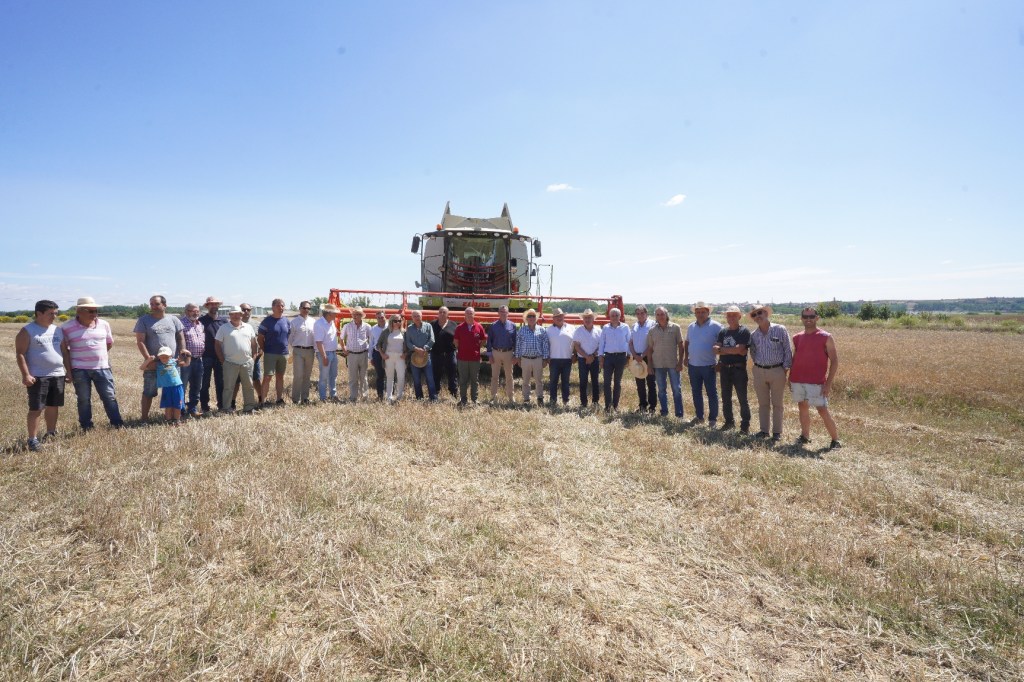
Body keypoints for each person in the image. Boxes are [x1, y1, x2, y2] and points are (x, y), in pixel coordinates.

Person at [61, 297, 125, 431]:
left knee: (109, 396)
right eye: (90, 311)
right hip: (79, 369)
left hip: (103, 367)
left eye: (95, 311)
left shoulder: (104, 324)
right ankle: (86, 426)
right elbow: (64, 351)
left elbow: (109, 343)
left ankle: (117, 423)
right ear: (79, 311)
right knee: (83, 399)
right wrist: (68, 371)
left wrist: (98, 356)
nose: (94, 314)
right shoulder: (66, 328)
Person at [16, 300, 65, 452]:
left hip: (58, 374)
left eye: (56, 313)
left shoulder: (57, 330)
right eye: (51, 314)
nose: (54, 317)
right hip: (38, 376)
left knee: (53, 406)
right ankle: (33, 439)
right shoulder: (27, 331)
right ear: (39, 313)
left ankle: (50, 433)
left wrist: (68, 371)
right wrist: (26, 375)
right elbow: (20, 354)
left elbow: (65, 352)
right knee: (36, 408)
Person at [790, 307, 841, 449]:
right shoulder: (797, 337)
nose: (808, 319)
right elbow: (795, 358)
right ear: (801, 318)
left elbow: (835, 361)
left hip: (817, 382)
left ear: (817, 318)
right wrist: (790, 378)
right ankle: (805, 436)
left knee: (822, 410)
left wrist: (828, 384)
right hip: (798, 379)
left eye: (811, 316)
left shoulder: (826, 337)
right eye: (805, 317)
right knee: (802, 407)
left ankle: (835, 440)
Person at [134, 295, 185, 421]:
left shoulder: (174, 320)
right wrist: (148, 360)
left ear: (164, 305)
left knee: (173, 390)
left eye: (156, 304)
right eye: (151, 304)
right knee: (149, 392)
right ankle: (144, 419)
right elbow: (140, 341)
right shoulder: (143, 320)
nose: (153, 307)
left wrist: (182, 353)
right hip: (154, 364)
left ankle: (173, 418)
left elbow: (181, 338)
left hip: (171, 364)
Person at [748, 304, 792, 441]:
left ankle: (777, 432)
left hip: (777, 370)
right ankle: (764, 431)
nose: (757, 316)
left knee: (777, 404)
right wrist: (758, 367)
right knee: (763, 404)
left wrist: (784, 369)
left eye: (759, 312)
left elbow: (787, 350)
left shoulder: (780, 329)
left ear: (766, 313)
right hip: (759, 371)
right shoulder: (753, 335)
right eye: (754, 315)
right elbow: (753, 353)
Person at [713, 305, 751, 433]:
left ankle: (745, 425)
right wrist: (733, 350)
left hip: (738, 370)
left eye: (734, 315)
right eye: (729, 315)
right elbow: (715, 349)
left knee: (742, 398)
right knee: (726, 397)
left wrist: (722, 350)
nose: (731, 317)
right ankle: (729, 422)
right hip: (724, 369)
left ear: (739, 316)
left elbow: (740, 350)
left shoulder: (744, 331)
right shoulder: (723, 332)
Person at [684, 302, 723, 426]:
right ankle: (699, 417)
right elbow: (687, 342)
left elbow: (723, 344)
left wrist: (720, 362)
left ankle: (712, 420)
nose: (700, 314)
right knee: (696, 392)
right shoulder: (691, 327)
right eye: (698, 312)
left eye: (703, 312)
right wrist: (686, 358)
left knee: (711, 393)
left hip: (709, 365)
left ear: (708, 312)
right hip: (693, 365)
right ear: (695, 313)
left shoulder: (717, 326)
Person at [216, 305, 259, 413]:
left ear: (241, 315)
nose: (236, 316)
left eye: (238, 314)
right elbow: (217, 344)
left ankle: (249, 408)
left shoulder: (248, 327)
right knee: (228, 387)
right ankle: (226, 408)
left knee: (248, 386)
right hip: (229, 363)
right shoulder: (224, 328)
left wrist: (253, 358)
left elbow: (254, 343)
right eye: (233, 314)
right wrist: (223, 361)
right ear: (229, 315)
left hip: (247, 362)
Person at [645, 306, 685, 418]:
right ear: (655, 317)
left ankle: (679, 414)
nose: (660, 316)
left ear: (666, 315)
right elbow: (650, 348)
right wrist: (649, 364)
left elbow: (681, 346)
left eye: (662, 314)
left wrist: (680, 362)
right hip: (658, 364)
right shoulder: (652, 331)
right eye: (657, 315)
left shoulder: (676, 328)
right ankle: (664, 412)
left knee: (676, 389)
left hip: (673, 364)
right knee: (661, 390)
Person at [257, 298, 290, 406]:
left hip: (283, 354)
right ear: (273, 307)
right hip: (270, 353)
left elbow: (287, 335)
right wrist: (265, 349)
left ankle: (279, 399)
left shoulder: (286, 321)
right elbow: (260, 338)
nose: (281, 308)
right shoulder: (267, 321)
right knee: (267, 377)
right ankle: (263, 401)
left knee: (280, 376)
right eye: (278, 306)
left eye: (282, 306)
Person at [514, 309, 549, 405]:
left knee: (539, 380)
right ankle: (526, 399)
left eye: (533, 316)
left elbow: (545, 345)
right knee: (525, 380)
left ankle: (540, 398)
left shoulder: (541, 330)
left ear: (536, 318)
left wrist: (545, 359)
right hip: (525, 359)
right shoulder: (522, 330)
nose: (531, 318)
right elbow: (518, 344)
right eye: (529, 316)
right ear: (526, 318)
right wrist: (517, 357)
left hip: (538, 358)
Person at [198, 296, 226, 415]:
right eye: (211, 304)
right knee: (204, 383)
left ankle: (221, 405)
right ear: (207, 306)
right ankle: (205, 407)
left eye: (216, 304)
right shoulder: (201, 321)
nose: (214, 306)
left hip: (220, 356)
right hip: (206, 356)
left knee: (221, 382)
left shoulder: (224, 321)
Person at [453, 307, 487, 405]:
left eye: (471, 313)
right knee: (463, 380)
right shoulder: (459, 327)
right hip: (462, 358)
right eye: (467, 313)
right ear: (464, 315)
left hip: (474, 358)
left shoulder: (479, 327)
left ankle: (474, 399)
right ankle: (463, 400)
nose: (469, 315)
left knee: (474, 380)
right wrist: (464, 348)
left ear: (474, 314)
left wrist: (476, 347)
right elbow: (456, 342)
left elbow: (484, 340)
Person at [340, 306, 373, 401]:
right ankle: (353, 396)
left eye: (357, 314)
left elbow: (371, 340)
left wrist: (370, 353)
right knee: (353, 377)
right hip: (351, 355)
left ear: (361, 316)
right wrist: (344, 349)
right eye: (354, 314)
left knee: (364, 377)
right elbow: (341, 339)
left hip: (363, 354)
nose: (355, 316)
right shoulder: (347, 326)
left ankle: (365, 396)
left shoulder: (367, 327)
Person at [629, 305, 657, 414]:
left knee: (651, 383)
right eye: (638, 313)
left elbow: (653, 343)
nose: (640, 315)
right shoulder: (634, 326)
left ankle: (652, 407)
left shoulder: (652, 324)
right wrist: (635, 355)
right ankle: (642, 405)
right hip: (636, 357)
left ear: (646, 314)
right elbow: (630, 342)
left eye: (642, 313)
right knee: (639, 383)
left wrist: (643, 355)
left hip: (648, 357)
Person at [178, 303, 205, 417]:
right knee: (182, 386)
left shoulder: (200, 324)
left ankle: (192, 408)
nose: (195, 313)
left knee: (196, 386)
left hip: (198, 360)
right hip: (185, 360)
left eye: (197, 311)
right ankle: (181, 410)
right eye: (192, 311)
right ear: (186, 311)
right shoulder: (181, 324)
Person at [572, 309, 602, 408]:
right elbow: (576, 346)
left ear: (593, 318)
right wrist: (586, 356)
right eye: (585, 318)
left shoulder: (599, 331)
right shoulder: (578, 331)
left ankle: (595, 402)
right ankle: (583, 402)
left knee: (595, 381)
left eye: (589, 317)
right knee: (583, 381)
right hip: (582, 359)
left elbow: (600, 346)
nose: (587, 319)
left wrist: (592, 356)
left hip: (595, 359)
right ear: (583, 319)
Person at [405, 309, 437, 401]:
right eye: (414, 316)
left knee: (430, 378)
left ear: (421, 316)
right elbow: (408, 342)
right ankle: (419, 398)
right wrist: (416, 349)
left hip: (427, 355)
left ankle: (433, 398)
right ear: (412, 318)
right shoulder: (409, 328)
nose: (416, 318)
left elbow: (432, 339)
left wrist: (424, 349)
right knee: (416, 379)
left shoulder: (428, 326)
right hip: (414, 357)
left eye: (418, 315)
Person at [487, 305, 517, 402]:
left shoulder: (513, 325)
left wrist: (515, 355)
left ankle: (511, 397)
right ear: (498, 313)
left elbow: (516, 341)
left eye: (505, 312)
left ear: (508, 313)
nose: (503, 314)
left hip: (508, 352)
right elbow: (489, 341)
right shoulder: (493, 325)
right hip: (496, 352)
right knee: (495, 376)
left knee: (509, 376)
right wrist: (490, 355)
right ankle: (493, 396)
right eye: (501, 312)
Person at [545, 308, 575, 406]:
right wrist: (547, 357)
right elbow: (546, 345)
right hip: (554, 359)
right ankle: (553, 400)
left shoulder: (571, 328)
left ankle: (565, 400)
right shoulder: (548, 330)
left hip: (567, 359)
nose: (559, 318)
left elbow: (575, 343)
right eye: (556, 316)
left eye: (560, 316)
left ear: (564, 316)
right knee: (553, 381)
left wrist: (574, 354)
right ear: (553, 318)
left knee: (565, 381)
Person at [289, 300, 317, 404]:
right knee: (298, 375)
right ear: (300, 308)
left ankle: (305, 398)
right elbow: (290, 338)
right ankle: (296, 399)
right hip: (298, 350)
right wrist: (295, 348)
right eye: (304, 308)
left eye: (308, 308)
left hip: (310, 351)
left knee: (307, 375)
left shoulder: (313, 322)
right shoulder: (294, 322)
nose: (306, 310)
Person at [376, 314, 407, 403]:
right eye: (395, 321)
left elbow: (407, 346)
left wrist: (405, 354)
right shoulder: (386, 332)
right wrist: (382, 354)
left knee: (401, 377)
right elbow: (378, 344)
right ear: (391, 321)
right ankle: (389, 397)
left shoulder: (404, 332)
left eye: (399, 321)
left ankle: (399, 396)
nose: (398, 323)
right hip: (388, 356)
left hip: (400, 357)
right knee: (389, 377)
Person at [152, 346, 187, 424]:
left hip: (177, 386)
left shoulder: (174, 361)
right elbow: (142, 367)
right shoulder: (158, 365)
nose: (164, 359)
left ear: (170, 356)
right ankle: (168, 421)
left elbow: (185, 363)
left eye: (166, 357)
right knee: (168, 405)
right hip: (166, 387)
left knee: (177, 405)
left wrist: (187, 356)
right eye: (162, 357)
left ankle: (177, 420)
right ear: (159, 357)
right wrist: (148, 360)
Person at [430, 306, 459, 399]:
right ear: (438, 314)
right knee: (435, 374)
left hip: (450, 354)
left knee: (452, 374)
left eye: (444, 312)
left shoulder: (453, 325)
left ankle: (453, 393)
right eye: (440, 312)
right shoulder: (432, 324)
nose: (442, 314)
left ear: (448, 314)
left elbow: (458, 339)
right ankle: (435, 393)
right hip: (436, 354)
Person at [314, 304, 340, 401]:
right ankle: (323, 397)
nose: (336, 315)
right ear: (329, 314)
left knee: (333, 375)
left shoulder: (331, 322)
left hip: (333, 352)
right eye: (334, 313)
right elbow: (319, 342)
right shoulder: (319, 324)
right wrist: (324, 356)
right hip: (325, 353)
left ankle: (333, 395)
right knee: (324, 377)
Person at [240, 303, 263, 404]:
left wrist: (260, 352)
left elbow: (262, 340)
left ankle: (261, 399)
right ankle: (232, 402)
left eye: (248, 310)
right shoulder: (234, 323)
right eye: (243, 309)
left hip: (255, 357)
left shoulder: (257, 324)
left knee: (256, 379)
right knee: (236, 381)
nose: (246, 312)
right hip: (239, 358)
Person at [369, 310, 387, 401]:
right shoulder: (373, 329)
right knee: (380, 375)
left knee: (390, 375)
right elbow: (371, 343)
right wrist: (371, 357)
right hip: (377, 354)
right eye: (378, 318)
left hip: (389, 354)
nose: (380, 319)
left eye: (382, 317)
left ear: (385, 317)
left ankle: (390, 395)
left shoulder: (390, 327)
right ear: (376, 319)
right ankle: (380, 396)